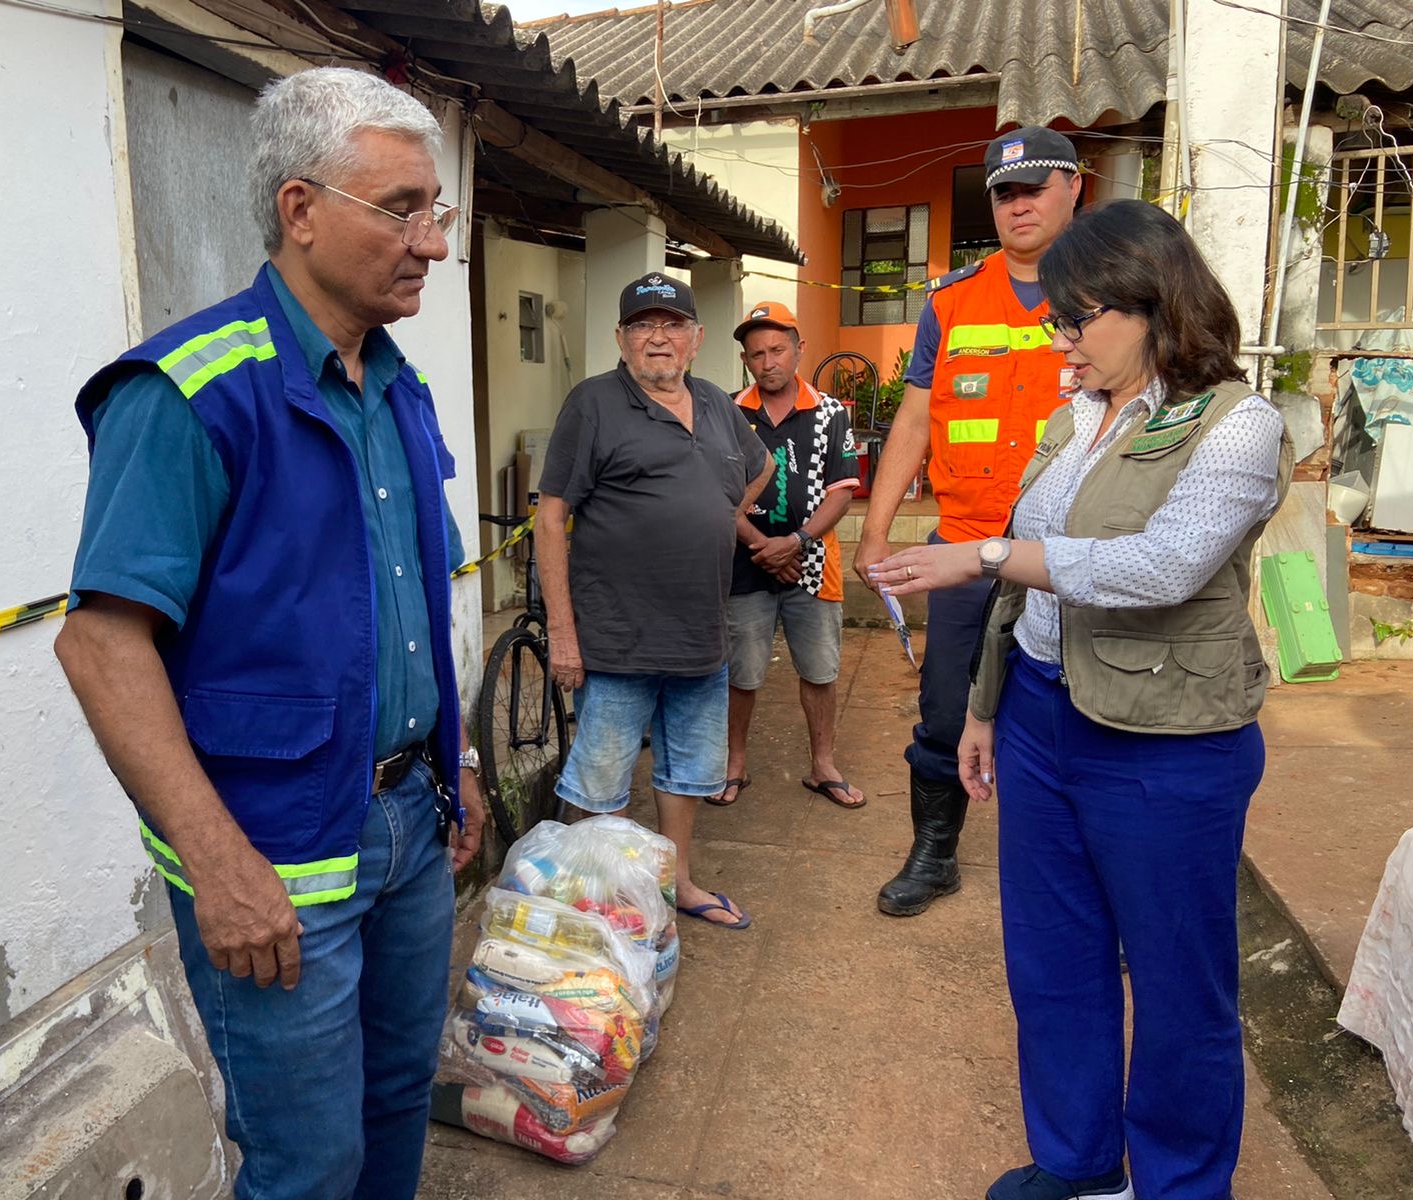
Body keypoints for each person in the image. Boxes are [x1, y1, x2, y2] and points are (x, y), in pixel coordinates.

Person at [54, 68, 485, 1200]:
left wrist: (461, 761)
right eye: (402, 208)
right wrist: (218, 864)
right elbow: (101, 647)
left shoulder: (400, 391)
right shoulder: (189, 392)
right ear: (301, 211)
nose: (432, 243)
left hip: (407, 826)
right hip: (274, 861)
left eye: (436, 211)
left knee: (396, 1108)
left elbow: (411, 602)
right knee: (307, 1163)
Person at [872, 199, 1291, 1200]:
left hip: (1163, 745)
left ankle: (1182, 1184)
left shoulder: (1238, 426)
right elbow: (1030, 584)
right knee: (1053, 967)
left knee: (1179, 983)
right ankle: (1081, 1163)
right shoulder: (1075, 416)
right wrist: (984, 707)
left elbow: (1159, 568)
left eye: (1076, 318)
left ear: (1151, 304)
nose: (1062, 340)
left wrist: (972, 551)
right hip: (1040, 719)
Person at [853, 126, 1083, 917]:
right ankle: (934, 854)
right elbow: (913, 423)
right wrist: (877, 532)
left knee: (1080, 716)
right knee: (947, 710)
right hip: (961, 549)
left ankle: (1095, 882)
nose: (1019, 205)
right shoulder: (950, 302)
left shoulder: (1109, 289)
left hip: (1066, 552)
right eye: (1005, 193)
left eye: (1036, 188)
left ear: (1074, 189)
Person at [536, 273, 773, 930]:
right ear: (620, 338)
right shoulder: (594, 404)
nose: (658, 337)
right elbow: (550, 519)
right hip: (616, 638)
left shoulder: (719, 406)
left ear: (696, 340)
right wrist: (562, 633)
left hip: (700, 634)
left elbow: (761, 469)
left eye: (672, 325)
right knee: (601, 781)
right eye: (643, 325)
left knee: (689, 774)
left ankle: (678, 885)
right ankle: (599, 904)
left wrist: (719, 514)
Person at [716, 300, 864, 809]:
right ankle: (734, 765)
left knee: (820, 671)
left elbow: (841, 491)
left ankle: (822, 765)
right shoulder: (730, 413)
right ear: (746, 360)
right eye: (756, 353)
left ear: (799, 350)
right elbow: (719, 496)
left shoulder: (830, 412)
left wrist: (796, 542)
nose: (768, 361)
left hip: (814, 566)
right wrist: (764, 548)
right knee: (742, 673)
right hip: (744, 565)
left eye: (778, 349)